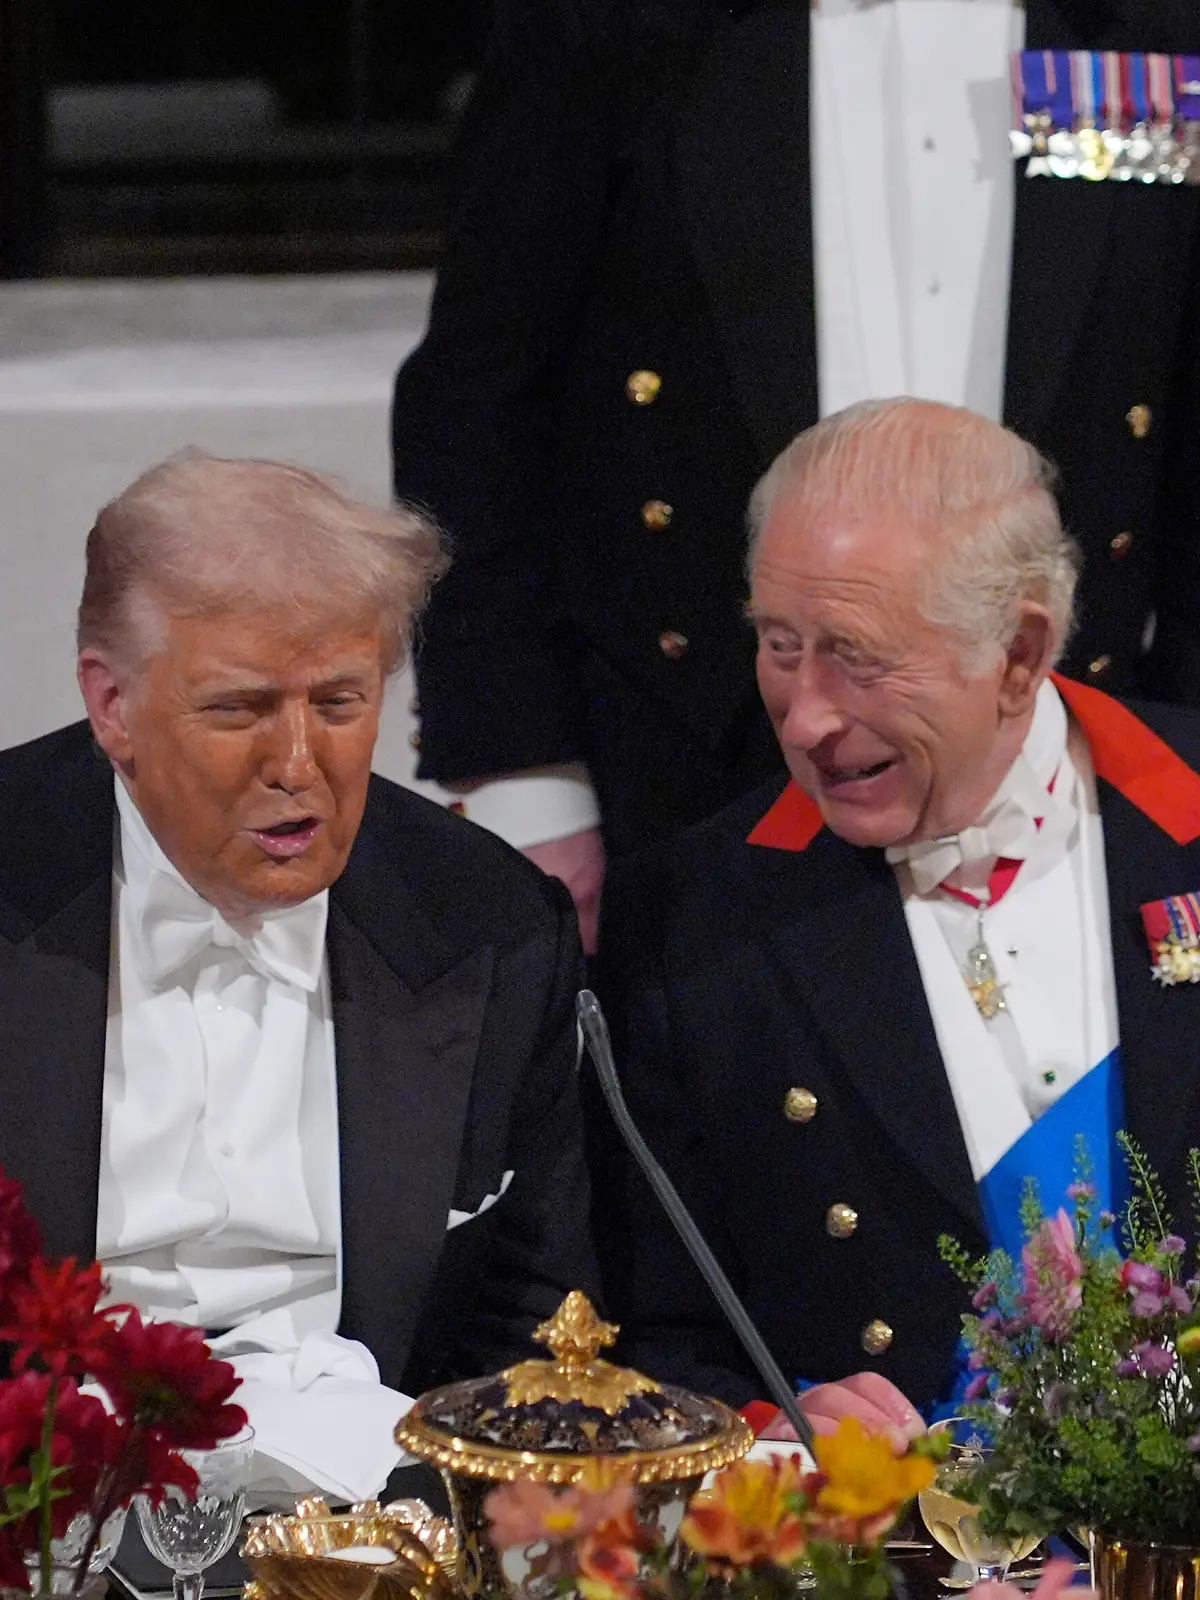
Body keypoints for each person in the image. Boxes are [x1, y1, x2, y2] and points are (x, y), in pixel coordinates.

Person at [391, 0, 1200, 950]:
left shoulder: (1151, 17)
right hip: (688, 774)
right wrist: (527, 785)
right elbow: (480, 398)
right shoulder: (610, 23)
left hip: (1076, 754)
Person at [589, 398, 1200, 1430]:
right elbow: (653, 1337)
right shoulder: (690, 920)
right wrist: (772, 1430)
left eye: (858, 656)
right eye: (780, 645)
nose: (805, 718)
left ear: (1019, 652)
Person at [0, 454, 598, 1494]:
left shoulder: (491, 927)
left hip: (377, 1517)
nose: (297, 763)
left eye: (339, 701)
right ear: (113, 704)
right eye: (239, 708)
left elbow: (534, 1324)